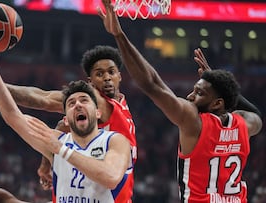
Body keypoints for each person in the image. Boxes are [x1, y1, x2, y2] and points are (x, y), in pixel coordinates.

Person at [98, 0, 263, 202]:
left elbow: (152, 84)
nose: (190, 97)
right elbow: (256, 114)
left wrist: (119, 36)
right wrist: (217, 82)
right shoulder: (244, 125)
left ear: (217, 103)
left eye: (199, 93)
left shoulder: (194, 121)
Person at [0, 26, 133, 202]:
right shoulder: (64, 135)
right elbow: (15, 114)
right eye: (70, 103)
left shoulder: (114, 130)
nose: (107, 78)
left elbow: (44, 99)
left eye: (111, 72)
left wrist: (59, 152)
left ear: (97, 112)